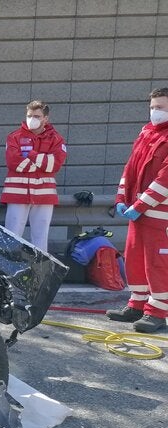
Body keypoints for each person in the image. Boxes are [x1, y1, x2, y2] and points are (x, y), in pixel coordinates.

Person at [106, 88, 168, 333]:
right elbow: (130, 168)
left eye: (161, 107)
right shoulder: (146, 133)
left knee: (157, 262)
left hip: (159, 213)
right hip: (138, 212)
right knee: (134, 258)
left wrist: (141, 205)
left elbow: (165, 178)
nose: (156, 112)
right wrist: (122, 197)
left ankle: (158, 312)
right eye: (153, 107)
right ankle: (138, 304)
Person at [0, 100, 67, 252]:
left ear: (45, 119)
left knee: (40, 239)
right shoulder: (14, 137)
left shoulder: (56, 139)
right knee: (11, 236)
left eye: (36, 116)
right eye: (29, 115)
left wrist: (30, 155)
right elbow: (13, 162)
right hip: (17, 194)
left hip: (44, 195)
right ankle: (9, 272)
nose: (32, 119)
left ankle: (39, 273)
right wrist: (42, 161)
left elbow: (54, 165)